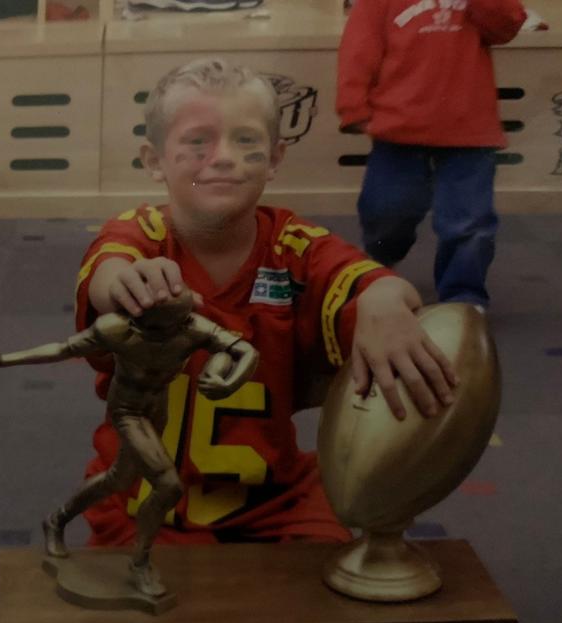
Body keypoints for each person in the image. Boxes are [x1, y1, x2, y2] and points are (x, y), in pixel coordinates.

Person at [77, 58, 458, 548]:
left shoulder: (295, 246)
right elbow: (108, 273)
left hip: (274, 502)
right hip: (139, 503)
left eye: (246, 142)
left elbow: (371, 281)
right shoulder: (136, 235)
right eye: (197, 142)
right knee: (130, 608)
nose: (223, 157)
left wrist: (383, 297)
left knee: (332, 589)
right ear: (155, 161)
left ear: (275, 158)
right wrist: (128, 285)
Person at [0, 290, 258, 596]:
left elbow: (246, 352)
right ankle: (140, 563)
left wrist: (228, 382)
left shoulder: (192, 327)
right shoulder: (116, 329)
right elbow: (61, 349)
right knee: (168, 485)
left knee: (119, 478)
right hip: (127, 409)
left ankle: (56, 519)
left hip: (157, 405)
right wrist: (5, 360)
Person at [336, 0, 527, 309]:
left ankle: (463, 297)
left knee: (468, 221)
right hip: (399, 128)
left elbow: (507, 25)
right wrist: (353, 106)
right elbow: (359, 48)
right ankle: (380, 261)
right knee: (385, 213)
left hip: (468, 128)